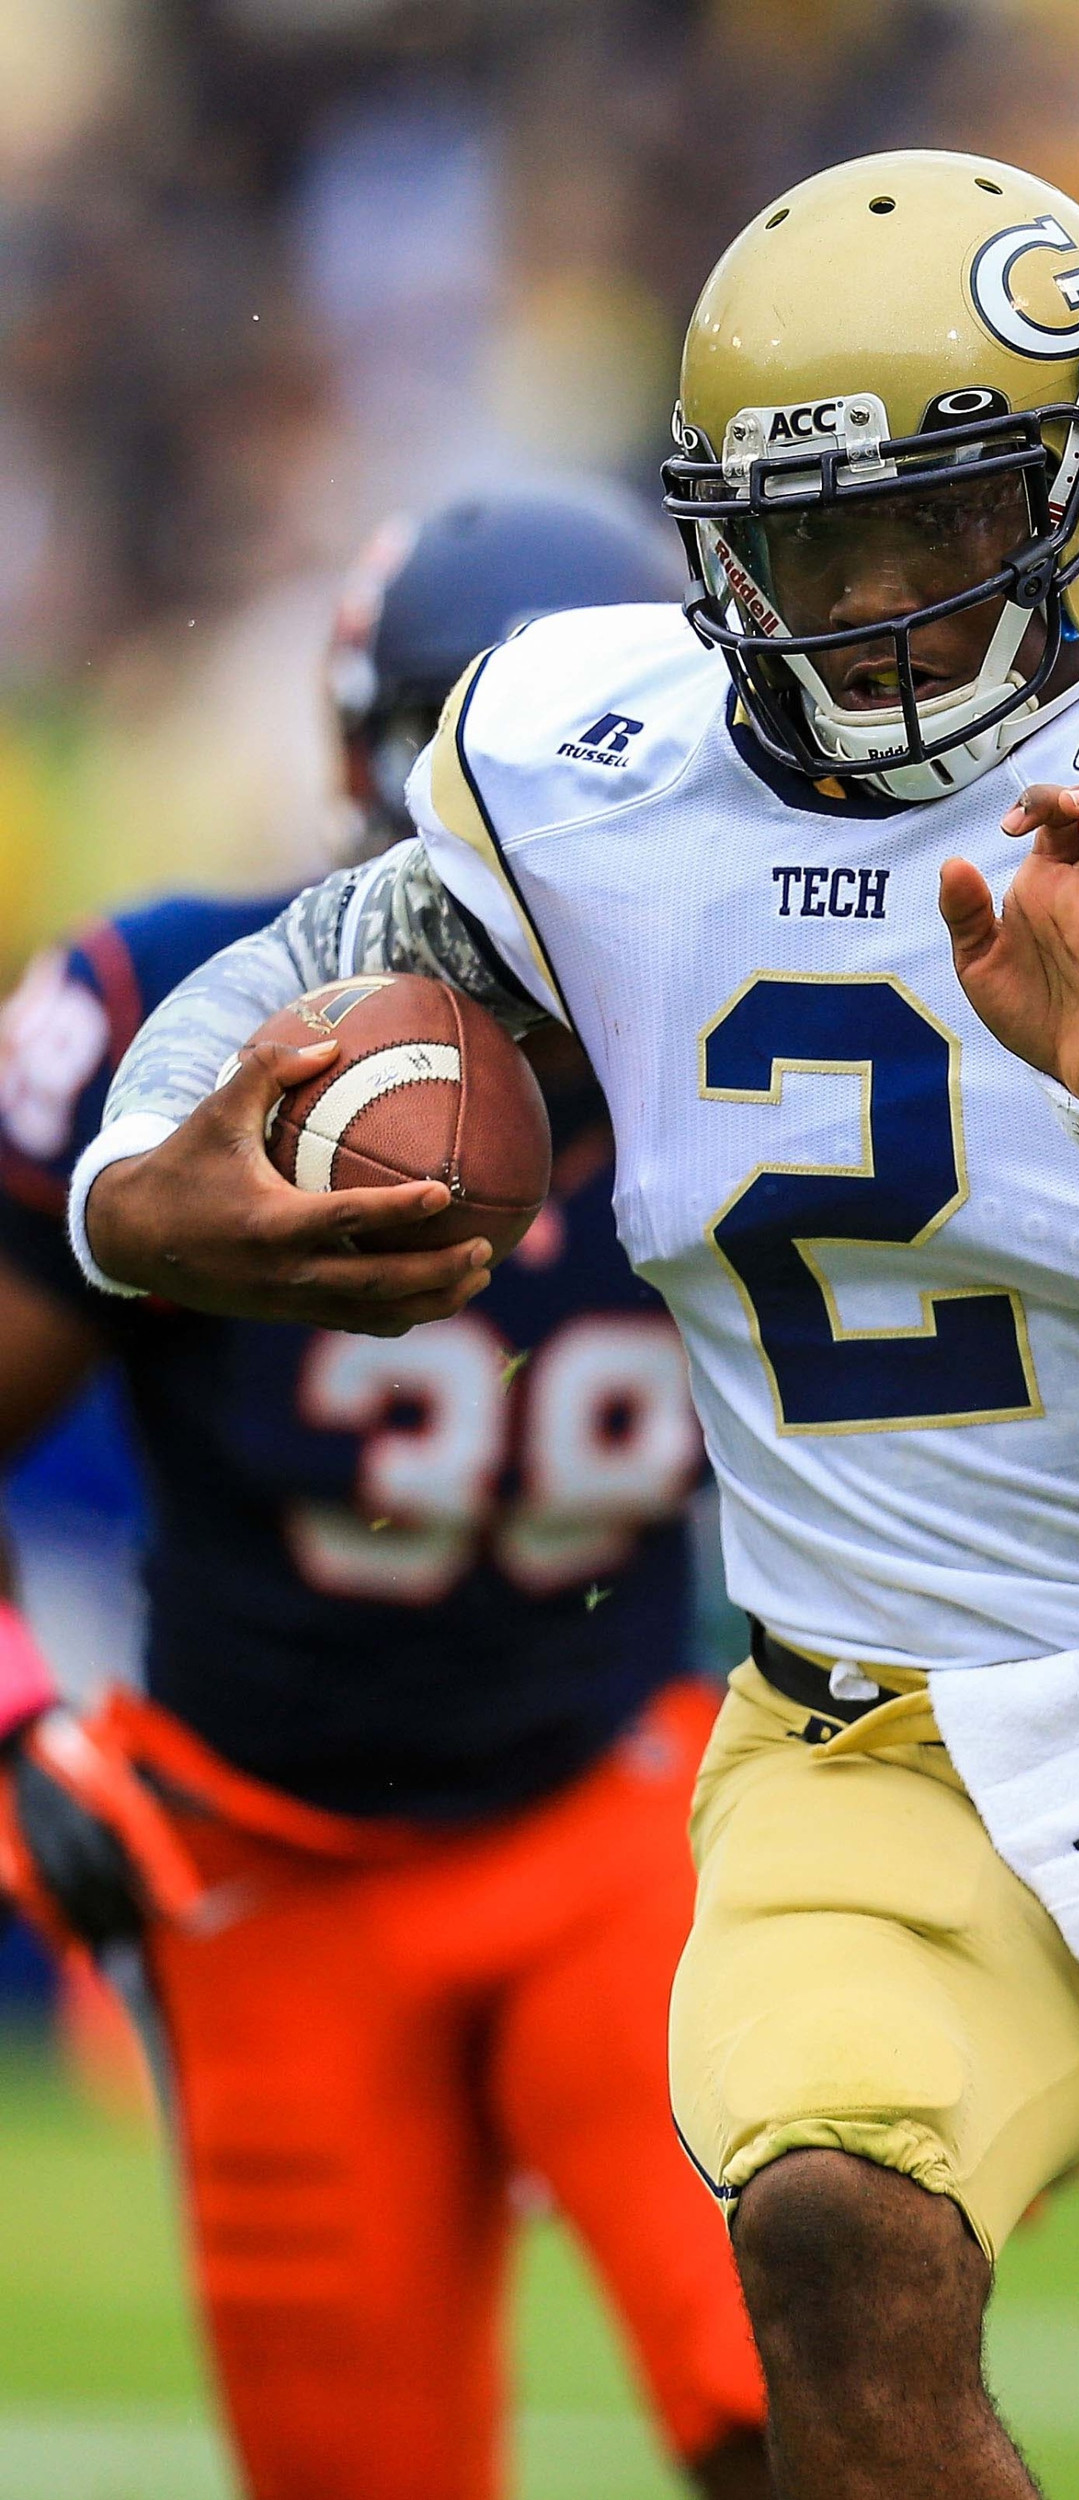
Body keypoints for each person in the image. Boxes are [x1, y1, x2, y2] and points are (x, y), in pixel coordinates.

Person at [63, 151, 1079, 2498]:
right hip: (857, 1731)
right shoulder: (593, 757)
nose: (880, 606)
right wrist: (129, 1182)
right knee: (829, 2227)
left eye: (945, 519)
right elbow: (284, 981)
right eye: (814, 542)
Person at [0, 486, 770, 2500]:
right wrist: (13, 1710)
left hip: (603, 1805)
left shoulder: (766, 1035)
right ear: (379, 772)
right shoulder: (170, 1014)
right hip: (264, 1861)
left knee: (797, 2384)